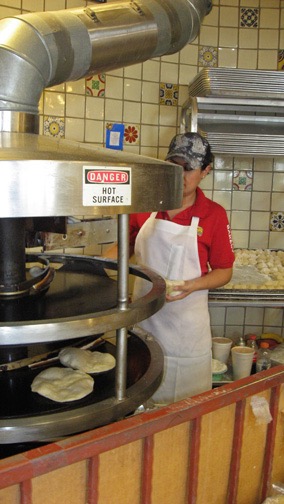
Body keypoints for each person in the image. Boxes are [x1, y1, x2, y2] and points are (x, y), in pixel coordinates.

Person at [129, 132, 235, 405]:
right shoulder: (145, 205)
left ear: (206, 171)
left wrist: (192, 286)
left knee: (184, 415)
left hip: (186, 332)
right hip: (144, 324)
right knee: (140, 405)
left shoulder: (214, 215)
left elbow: (224, 271)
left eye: (188, 168)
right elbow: (122, 249)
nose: (180, 173)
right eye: (174, 165)